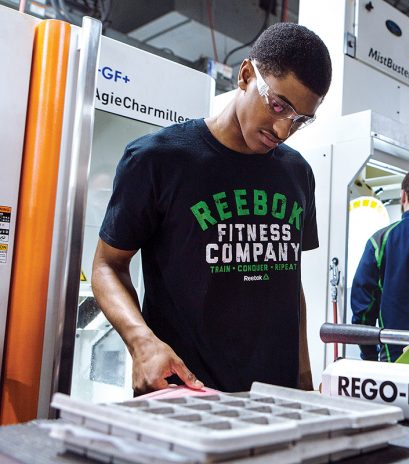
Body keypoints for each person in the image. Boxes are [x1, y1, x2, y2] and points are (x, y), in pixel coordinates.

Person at [92, 23, 332, 395]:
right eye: (279, 105)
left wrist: (302, 376)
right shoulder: (158, 159)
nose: (284, 130)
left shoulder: (297, 173)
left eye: (300, 119)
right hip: (186, 393)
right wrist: (141, 342)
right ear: (246, 75)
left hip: (276, 400)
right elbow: (108, 266)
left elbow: (288, 282)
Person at [351, 166, 409, 362]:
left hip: (392, 357)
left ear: (403, 196)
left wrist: (369, 356)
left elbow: (363, 306)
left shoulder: (380, 240)